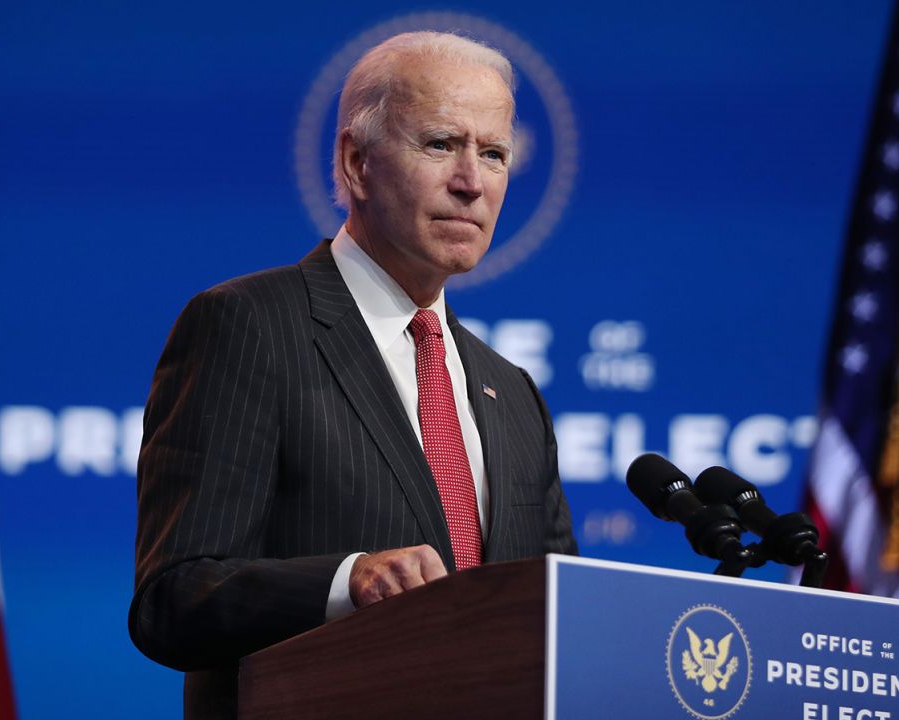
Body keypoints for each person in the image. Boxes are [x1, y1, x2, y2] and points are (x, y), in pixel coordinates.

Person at [129, 31, 577, 718]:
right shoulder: (248, 326)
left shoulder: (511, 391)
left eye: (493, 154)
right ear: (357, 163)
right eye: (440, 144)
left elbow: (562, 623)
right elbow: (174, 597)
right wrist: (347, 581)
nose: (471, 181)